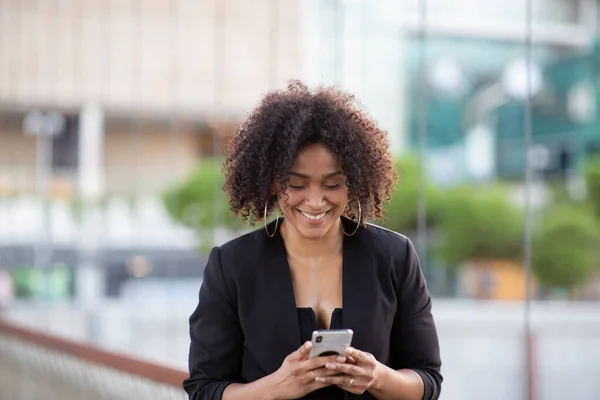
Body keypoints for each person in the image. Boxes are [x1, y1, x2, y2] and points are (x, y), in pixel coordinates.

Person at [183, 81, 442, 400]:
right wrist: (277, 387)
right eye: (297, 184)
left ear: (354, 184)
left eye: (332, 184)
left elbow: (428, 381)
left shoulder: (394, 256)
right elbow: (204, 390)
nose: (316, 201)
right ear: (273, 183)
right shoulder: (232, 265)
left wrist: (378, 377)